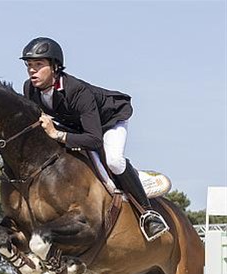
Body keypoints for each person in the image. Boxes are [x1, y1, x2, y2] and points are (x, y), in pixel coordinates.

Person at [20, 37, 169, 242]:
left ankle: (148, 213)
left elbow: (94, 140)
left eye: (38, 65)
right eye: (29, 65)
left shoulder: (76, 91)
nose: (32, 70)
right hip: (76, 125)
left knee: (113, 161)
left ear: (54, 67)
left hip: (109, 122)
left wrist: (58, 135)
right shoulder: (29, 89)